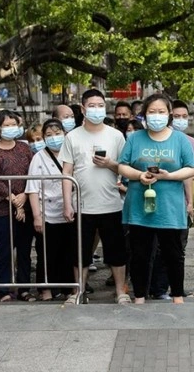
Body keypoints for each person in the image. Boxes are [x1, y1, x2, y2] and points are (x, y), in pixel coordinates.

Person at [118, 93, 194, 304]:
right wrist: (138, 176)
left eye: (161, 112)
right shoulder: (135, 138)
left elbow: (191, 168)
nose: (156, 116)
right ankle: (140, 296)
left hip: (170, 206)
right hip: (139, 205)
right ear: (144, 114)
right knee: (140, 254)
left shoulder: (180, 139)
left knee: (173, 254)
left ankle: (177, 295)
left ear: (169, 114)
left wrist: (169, 176)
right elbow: (122, 165)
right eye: (152, 112)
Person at [60, 89, 129, 304]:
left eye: (100, 105)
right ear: (83, 108)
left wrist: (110, 164)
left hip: (111, 203)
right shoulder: (72, 136)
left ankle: (120, 291)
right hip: (82, 204)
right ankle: (78, 291)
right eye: (92, 105)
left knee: (116, 251)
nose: (96, 109)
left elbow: (126, 168)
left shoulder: (115, 135)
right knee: (80, 252)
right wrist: (67, 204)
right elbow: (66, 173)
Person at [149, 99, 194, 299]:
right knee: (155, 248)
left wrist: (189, 202)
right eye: (177, 116)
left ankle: (174, 288)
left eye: (184, 116)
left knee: (177, 248)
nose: (180, 120)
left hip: (178, 202)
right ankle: (155, 288)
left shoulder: (190, 143)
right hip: (153, 201)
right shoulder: (153, 140)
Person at [0, 109, 36, 302]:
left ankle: (24, 288)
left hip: (26, 203)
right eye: (6, 125)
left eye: (13, 124)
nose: (10, 128)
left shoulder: (25, 149)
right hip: (3, 208)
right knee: (4, 249)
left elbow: (32, 173)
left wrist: (24, 197)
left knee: (24, 250)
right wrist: (14, 201)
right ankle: (4, 289)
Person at [27, 118, 76, 301]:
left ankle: (68, 287)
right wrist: (37, 216)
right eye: (48, 135)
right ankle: (45, 288)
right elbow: (32, 188)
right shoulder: (38, 157)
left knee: (68, 251)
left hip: (69, 211)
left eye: (57, 134)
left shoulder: (70, 153)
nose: (54, 138)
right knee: (46, 253)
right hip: (46, 213)